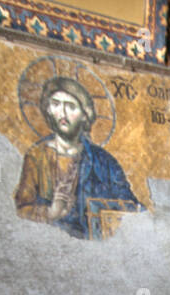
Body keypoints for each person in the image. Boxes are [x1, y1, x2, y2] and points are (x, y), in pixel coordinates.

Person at [14, 76, 143, 239]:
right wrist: (50, 213)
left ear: (85, 114)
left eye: (70, 106)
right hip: (49, 243)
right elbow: (21, 208)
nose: (62, 113)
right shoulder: (36, 156)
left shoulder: (104, 162)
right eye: (55, 104)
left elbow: (130, 206)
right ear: (47, 109)